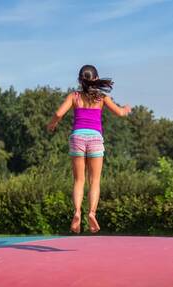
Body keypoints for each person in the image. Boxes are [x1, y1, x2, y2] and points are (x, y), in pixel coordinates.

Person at [47, 65, 131, 233]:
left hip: (77, 137)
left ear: (80, 80)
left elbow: (58, 114)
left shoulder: (74, 96)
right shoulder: (102, 98)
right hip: (94, 138)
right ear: (96, 79)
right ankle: (92, 213)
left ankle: (77, 211)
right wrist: (126, 109)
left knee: (79, 180)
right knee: (95, 181)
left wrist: (52, 125)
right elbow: (120, 113)